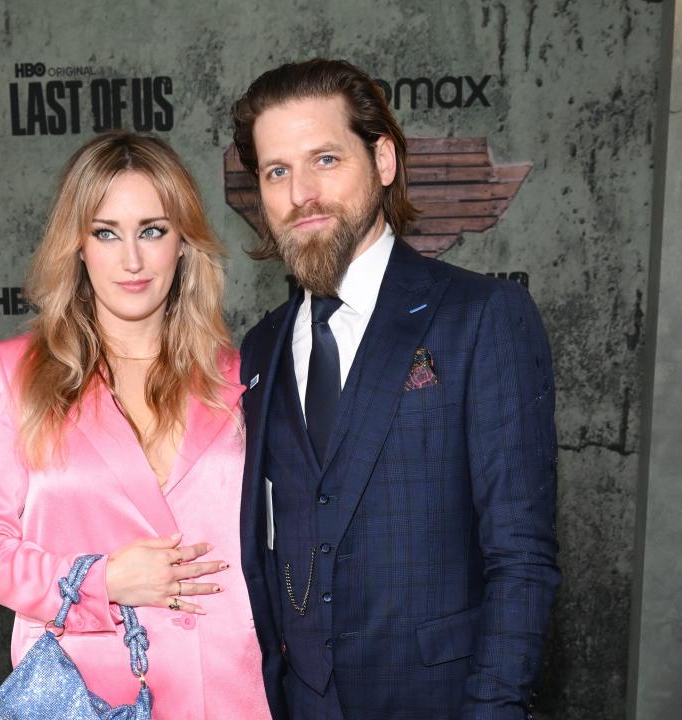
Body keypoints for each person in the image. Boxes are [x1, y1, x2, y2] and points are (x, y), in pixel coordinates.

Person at [231, 59, 560, 719]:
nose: (301, 194)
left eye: (325, 159)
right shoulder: (260, 348)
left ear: (382, 159)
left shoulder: (481, 317)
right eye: (276, 171)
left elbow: (521, 558)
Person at [0, 131, 270, 720]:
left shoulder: (242, 375)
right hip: (90, 693)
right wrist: (101, 580)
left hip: (234, 688)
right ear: (77, 245)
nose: (132, 260)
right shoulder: (14, 374)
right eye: (106, 233)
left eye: (152, 230)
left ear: (183, 242)